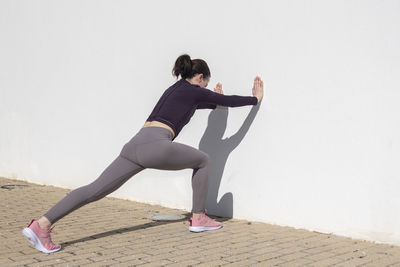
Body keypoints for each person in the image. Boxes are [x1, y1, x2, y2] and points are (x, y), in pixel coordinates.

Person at [22, 54, 264, 253]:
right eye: (206, 84)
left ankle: (41, 225)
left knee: (93, 190)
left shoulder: (176, 89)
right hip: (155, 145)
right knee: (203, 160)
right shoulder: (194, 90)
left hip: (134, 145)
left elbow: (203, 103)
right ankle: (198, 217)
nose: (206, 88)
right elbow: (229, 101)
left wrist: (214, 100)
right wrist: (254, 99)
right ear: (199, 77)